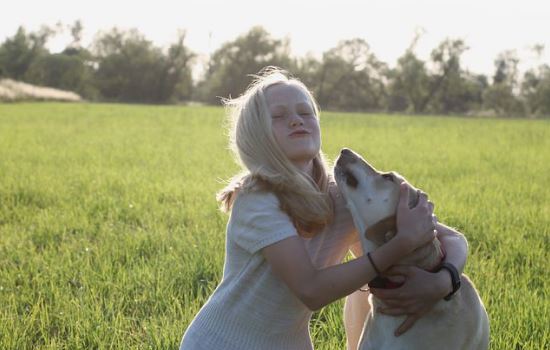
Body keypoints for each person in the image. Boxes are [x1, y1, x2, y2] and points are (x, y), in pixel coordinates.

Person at [180, 67, 468, 350]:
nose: (296, 120)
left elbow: (451, 239)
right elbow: (311, 290)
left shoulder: (344, 194)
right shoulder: (257, 197)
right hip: (219, 342)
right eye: (279, 116)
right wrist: (401, 243)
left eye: (305, 113)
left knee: (365, 277)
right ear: (255, 136)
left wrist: (444, 281)